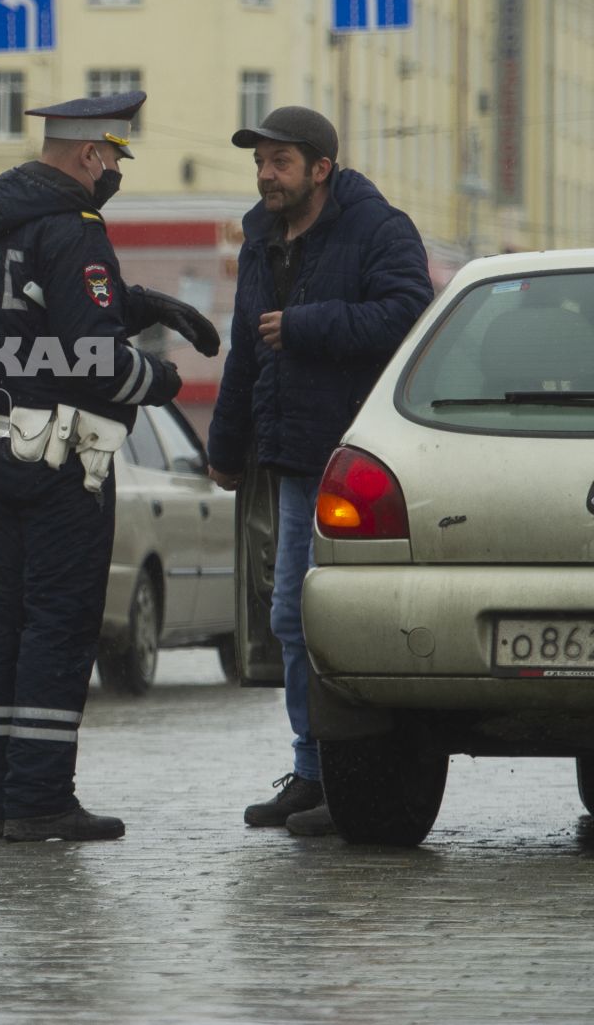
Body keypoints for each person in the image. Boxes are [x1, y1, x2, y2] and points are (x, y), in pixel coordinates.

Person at [0, 90, 220, 843]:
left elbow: (35, 320)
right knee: (59, 627)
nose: (114, 174)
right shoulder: (74, 229)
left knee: (5, 625)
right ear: (88, 155)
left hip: (6, 443)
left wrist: (143, 301)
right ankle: (40, 798)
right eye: (113, 159)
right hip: (66, 458)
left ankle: (2, 800)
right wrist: (166, 382)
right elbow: (95, 358)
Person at [205, 105, 432, 837]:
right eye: (259, 163)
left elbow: (408, 315)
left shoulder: (378, 229)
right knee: (289, 618)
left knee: (333, 620)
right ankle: (311, 771)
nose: (265, 175)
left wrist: (306, 325)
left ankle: (344, 774)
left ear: (320, 168)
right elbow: (246, 345)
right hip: (294, 454)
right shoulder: (260, 237)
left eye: (279, 162)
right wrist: (227, 443)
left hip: (361, 464)